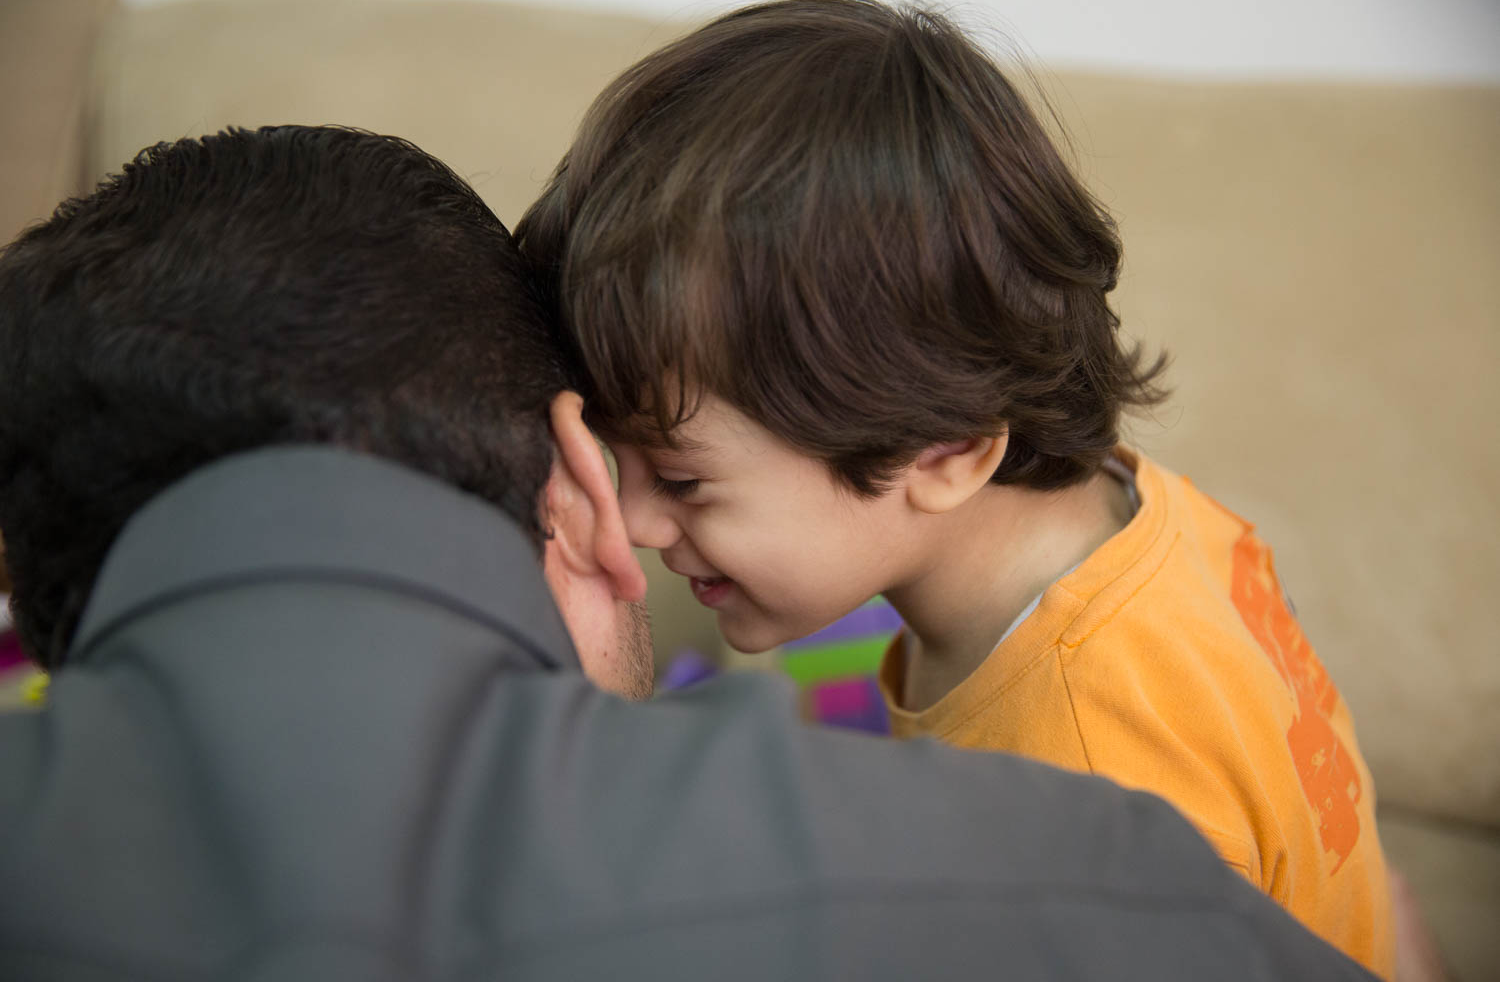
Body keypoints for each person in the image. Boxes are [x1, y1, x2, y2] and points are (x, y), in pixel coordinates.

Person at [0, 125, 1376, 981]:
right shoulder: (1163, 533)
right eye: (634, 475)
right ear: (576, 503)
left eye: (686, 480)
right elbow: (1357, 849)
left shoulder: (1094, 765)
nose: (651, 534)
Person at [516, 0, 1394, 976]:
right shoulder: (1142, 512)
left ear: (944, 453)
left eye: (680, 477)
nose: (629, 522)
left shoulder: (1083, 795)